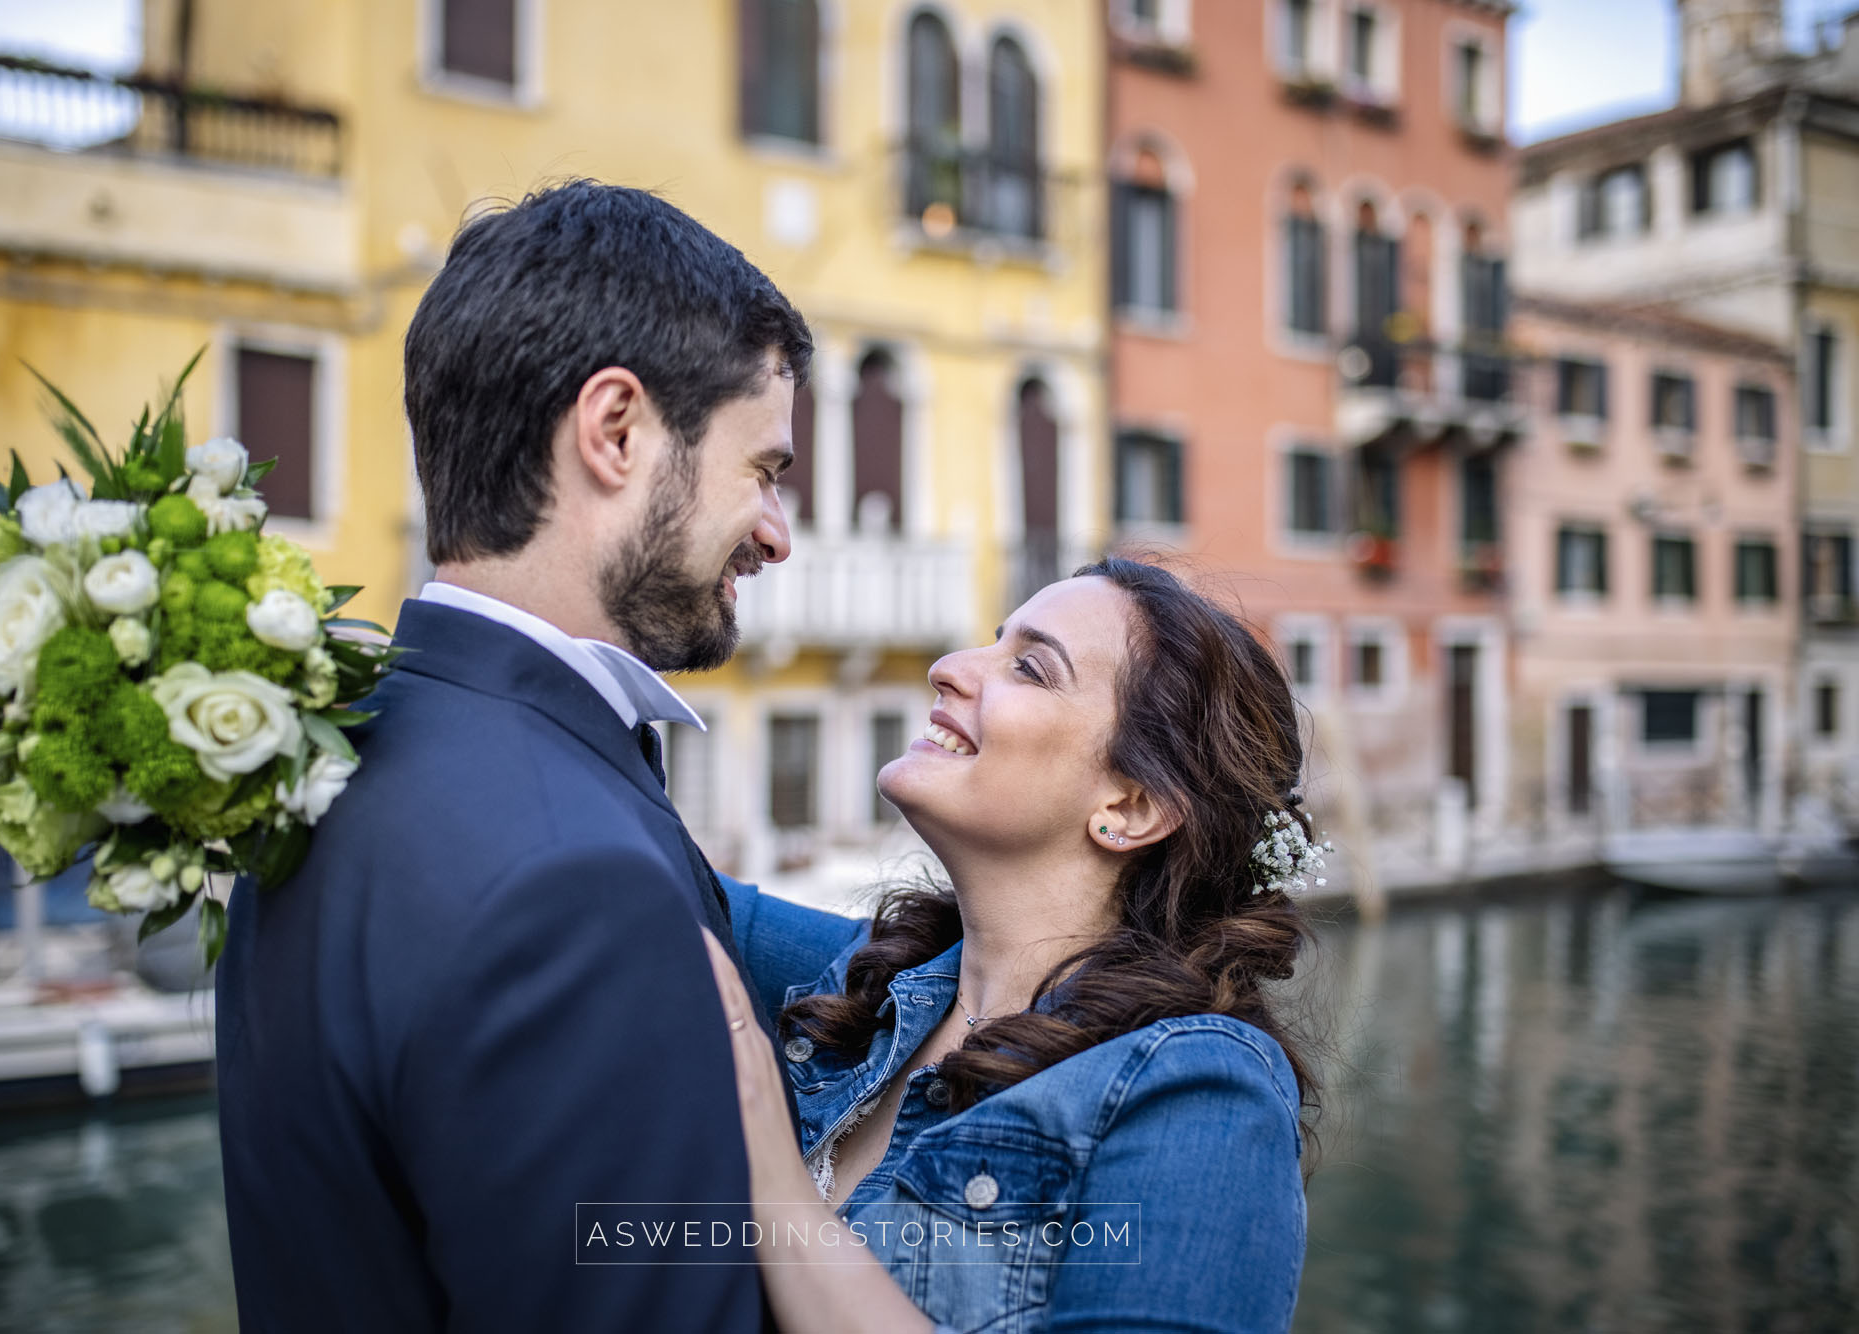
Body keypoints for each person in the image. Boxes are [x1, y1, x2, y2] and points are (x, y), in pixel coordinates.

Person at [216, 180, 812, 1333]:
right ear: (616, 430)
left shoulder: (323, 770)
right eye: (764, 468)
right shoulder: (573, 884)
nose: (777, 530)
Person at [706, 557, 1318, 1334]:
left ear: (1129, 806)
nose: (948, 668)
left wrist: (776, 1190)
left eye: (1029, 667)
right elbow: (631, 864)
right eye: (992, 644)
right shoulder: (871, 984)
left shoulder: (1200, 1088)